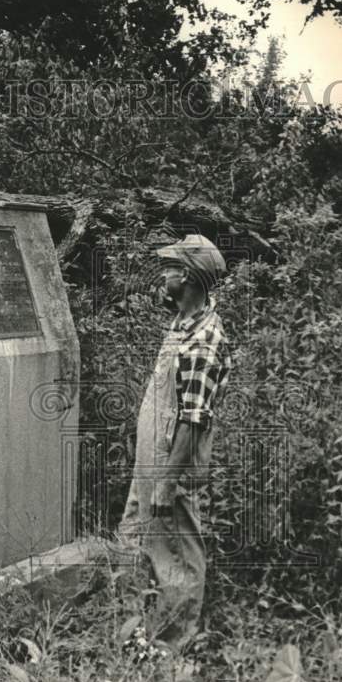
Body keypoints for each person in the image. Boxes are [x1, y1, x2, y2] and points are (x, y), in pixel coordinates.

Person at [116, 234, 233, 651]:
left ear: (185, 275)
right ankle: (135, 635)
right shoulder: (186, 321)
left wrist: (166, 481)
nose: (161, 274)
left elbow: (193, 419)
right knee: (134, 539)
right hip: (151, 461)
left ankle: (172, 648)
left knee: (177, 559)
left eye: (169, 268)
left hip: (171, 465)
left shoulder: (204, 341)